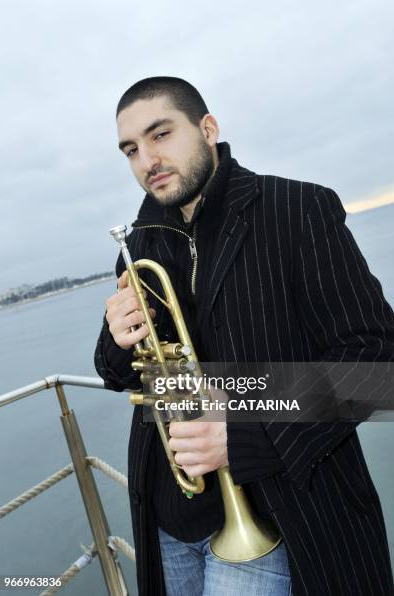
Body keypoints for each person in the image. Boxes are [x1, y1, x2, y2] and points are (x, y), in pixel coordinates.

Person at [94, 76, 394, 596]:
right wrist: (116, 341)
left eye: (161, 134)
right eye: (131, 150)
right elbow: (119, 374)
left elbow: (372, 366)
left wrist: (244, 437)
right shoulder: (140, 240)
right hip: (170, 522)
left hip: (283, 516)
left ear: (207, 129)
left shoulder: (297, 209)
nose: (147, 160)